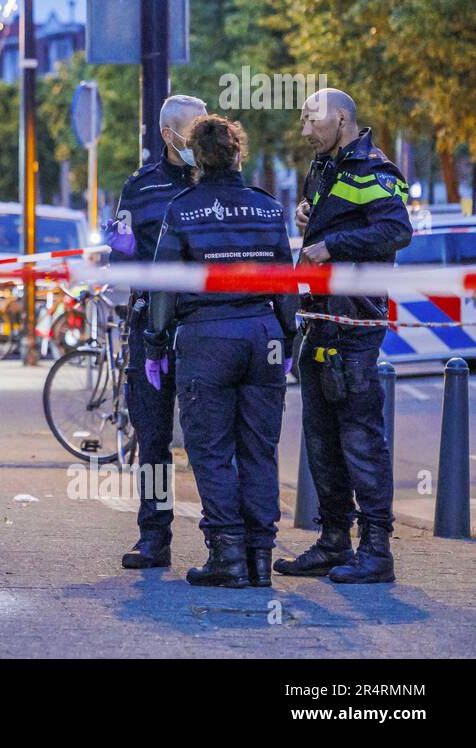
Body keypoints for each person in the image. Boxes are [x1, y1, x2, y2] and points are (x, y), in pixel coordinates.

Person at [145, 116, 299, 588]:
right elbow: (286, 283)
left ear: (195, 156)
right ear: (238, 153)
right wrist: (288, 338)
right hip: (263, 334)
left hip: (207, 337)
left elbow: (165, 287)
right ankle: (259, 558)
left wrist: (155, 343)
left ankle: (227, 554)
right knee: (259, 448)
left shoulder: (183, 209)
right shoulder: (266, 209)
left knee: (210, 450)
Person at [275, 89, 412, 584]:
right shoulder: (323, 167)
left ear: (342, 119)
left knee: (359, 437)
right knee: (321, 438)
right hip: (318, 318)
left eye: (313, 122)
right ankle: (334, 540)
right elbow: (323, 217)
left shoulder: (375, 170)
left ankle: (377, 550)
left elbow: (397, 231)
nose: (305, 131)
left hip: (354, 322)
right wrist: (308, 219)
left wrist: (332, 245)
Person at [107, 95, 205, 569]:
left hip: (202, 325)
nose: (200, 139)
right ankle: (154, 537)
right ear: (169, 135)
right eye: (193, 129)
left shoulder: (218, 181)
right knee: (152, 437)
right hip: (150, 326)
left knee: (210, 438)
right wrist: (121, 248)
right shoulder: (139, 188)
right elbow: (120, 261)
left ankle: (223, 541)